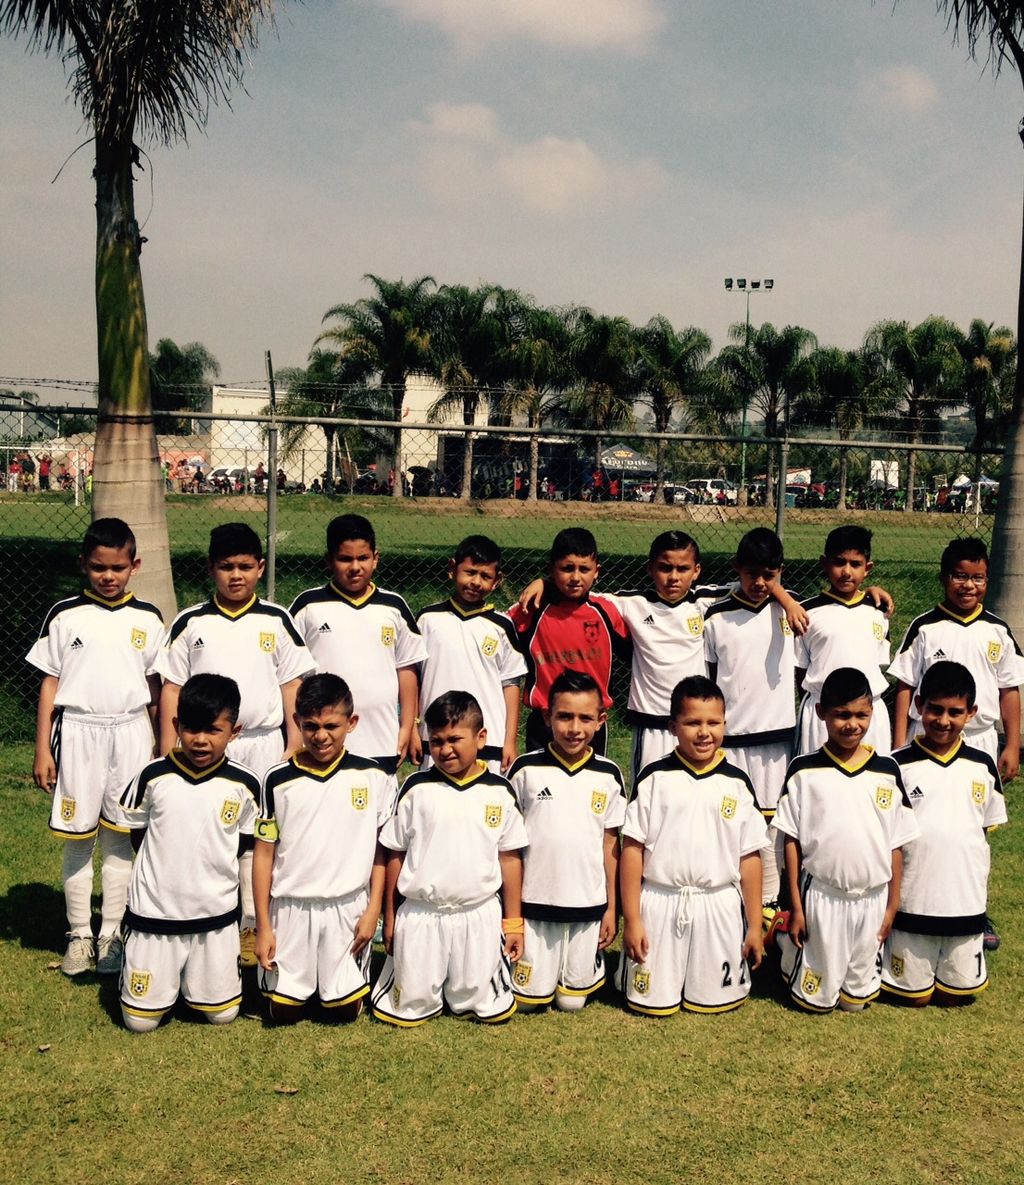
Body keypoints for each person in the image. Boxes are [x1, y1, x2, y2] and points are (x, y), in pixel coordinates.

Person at [157, 522, 314, 964]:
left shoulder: (276, 620)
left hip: (263, 745)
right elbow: (171, 687)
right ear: (211, 568)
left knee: (259, 838)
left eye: (245, 567)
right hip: (204, 748)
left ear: (260, 568)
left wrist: (294, 744)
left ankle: (253, 925)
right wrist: (168, 748)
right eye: (226, 567)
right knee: (210, 832)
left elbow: (291, 684)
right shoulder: (191, 622)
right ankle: (210, 919)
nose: (236, 576)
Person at [26, 517, 164, 976]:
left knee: (120, 836)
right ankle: (79, 934)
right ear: (84, 564)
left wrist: (162, 745)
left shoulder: (148, 618)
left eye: (118, 568)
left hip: (131, 733)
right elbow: (50, 684)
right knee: (78, 835)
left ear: (134, 566)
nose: (108, 576)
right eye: (99, 567)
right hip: (79, 733)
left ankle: (112, 935)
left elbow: (156, 687)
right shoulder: (65, 615)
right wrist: (43, 748)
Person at [371, 691, 528, 1026]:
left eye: (455, 739)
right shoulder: (415, 788)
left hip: (478, 914)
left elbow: (510, 859)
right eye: (437, 741)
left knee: (483, 1007)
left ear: (481, 737)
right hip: (422, 914)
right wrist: (391, 915)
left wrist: (513, 922)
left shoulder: (500, 792)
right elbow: (395, 853)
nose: (445, 750)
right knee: (408, 1009)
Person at [617, 675, 767, 1016]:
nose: (704, 732)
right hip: (661, 901)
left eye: (713, 723)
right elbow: (632, 850)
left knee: (715, 1003)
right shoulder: (654, 778)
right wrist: (633, 920)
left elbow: (750, 859)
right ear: (673, 726)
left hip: (718, 903)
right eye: (692, 723)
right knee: (651, 1003)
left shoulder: (737, 782)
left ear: (725, 724)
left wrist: (755, 925)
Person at [773, 667, 919, 1014]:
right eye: (841, 715)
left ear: (872, 713)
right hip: (823, 897)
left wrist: (892, 905)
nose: (852, 724)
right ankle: (782, 937)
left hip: (871, 898)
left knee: (855, 1004)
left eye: (860, 715)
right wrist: (796, 907)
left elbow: (897, 843)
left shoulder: (887, 770)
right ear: (821, 712)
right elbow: (791, 842)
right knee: (816, 1003)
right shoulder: (804, 771)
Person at [117, 674, 258, 1032]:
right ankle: (158, 979)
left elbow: (243, 847)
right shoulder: (152, 776)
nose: (200, 739)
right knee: (139, 1023)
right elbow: (138, 834)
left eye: (213, 730)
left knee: (222, 1015)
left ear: (234, 731)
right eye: (191, 728)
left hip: (214, 916)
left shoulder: (245, 784)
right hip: (155, 915)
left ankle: (195, 981)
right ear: (176, 725)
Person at [253, 674, 397, 1023]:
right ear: (297, 722)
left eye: (331, 726)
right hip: (291, 908)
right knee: (283, 1013)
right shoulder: (276, 779)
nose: (321, 736)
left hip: (347, 909)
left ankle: (336, 980)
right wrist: (263, 926)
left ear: (352, 722)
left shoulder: (374, 776)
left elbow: (381, 852)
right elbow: (263, 854)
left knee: (344, 1012)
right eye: (311, 726)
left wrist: (373, 911)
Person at [882, 662, 1007, 1006]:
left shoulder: (983, 765)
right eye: (935, 710)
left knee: (956, 997)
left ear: (972, 713)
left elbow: (982, 831)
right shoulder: (896, 765)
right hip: (912, 905)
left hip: (965, 904)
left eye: (955, 712)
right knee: (915, 998)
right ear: (918, 706)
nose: (943, 720)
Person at [507, 671, 626, 1012]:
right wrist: (512, 916)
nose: (575, 728)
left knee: (572, 1002)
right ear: (547, 717)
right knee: (527, 1002)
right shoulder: (525, 770)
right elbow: (509, 848)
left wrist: (611, 908)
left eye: (585, 718)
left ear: (601, 721)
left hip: (587, 907)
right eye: (565, 716)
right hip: (535, 906)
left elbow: (610, 847)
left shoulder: (608, 774)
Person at [289, 514, 427, 775]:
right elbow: (291, 675)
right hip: (323, 741)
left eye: (363, 558)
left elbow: (407, 670)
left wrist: (408, 726)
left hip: (381, 738)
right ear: (329, 560)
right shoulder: (308, 606)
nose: (355, 567)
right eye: (345, 559)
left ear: (375, 558)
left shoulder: (394, 606)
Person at [703, 527, 796, 902]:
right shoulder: (716, 617)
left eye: (769, 575)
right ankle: (731, 900)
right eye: (751, 574)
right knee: (731, 820)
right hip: (732, 741)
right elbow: (709, 679)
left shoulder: (792, 611)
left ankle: (771, 905)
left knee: (774, 828)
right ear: (736, 568)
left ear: (780, 573)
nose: (759, 583)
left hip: (776, 739)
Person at [889, 538, 1024, 780]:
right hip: (928, 734)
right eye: (960, 577)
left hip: (979, 738)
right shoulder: (924, 627)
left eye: (978, 578)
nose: (969, 585)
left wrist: (1013, 745)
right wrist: (899, 744)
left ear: (987, 580)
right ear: (943, 578)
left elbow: (1009, 690)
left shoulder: (998, 630)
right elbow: (905, 686)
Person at [507, 527, 629, 755]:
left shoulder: (607, 611)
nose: (575, 577)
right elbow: (495, 632)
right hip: (545, 721)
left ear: (597, 571)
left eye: (584, 569)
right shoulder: (532, 609)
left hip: (590, 722)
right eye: (567, 568)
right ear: (551, 569)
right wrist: (544, 583)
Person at [412, 535, 526, 773]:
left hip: (489, 742)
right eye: (470, 572)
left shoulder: (502, 626)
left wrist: (509, 741)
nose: (475, 582)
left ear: (497, 580)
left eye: (485, 576)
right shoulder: (427, 619)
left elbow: (511, 685)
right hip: (436, 739)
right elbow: (412, 680)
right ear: (452, 569)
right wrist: (412, 727)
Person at [795, 525, 892, 756]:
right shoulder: (805, 612)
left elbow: (877, 665)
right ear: (824, 563)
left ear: (867, 568)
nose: (847, 572)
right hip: (822, 713)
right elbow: (800, 669)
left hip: (869, 713)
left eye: (855, 564)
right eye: (839, 562)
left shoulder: (879, 611)